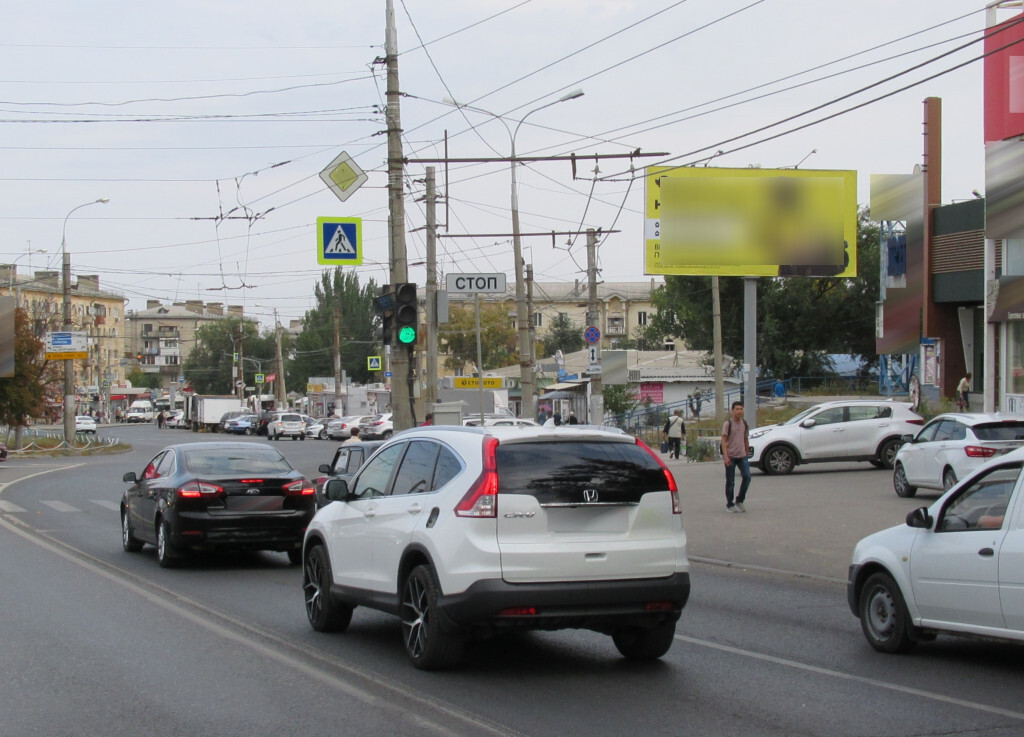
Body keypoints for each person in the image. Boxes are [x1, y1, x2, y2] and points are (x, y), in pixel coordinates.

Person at [721, 401, 751, 513]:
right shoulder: (728, 424)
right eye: (737, 409)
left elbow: (745, 439)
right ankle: (730, 504)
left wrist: (747, 453)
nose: (739, 411)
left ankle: (740, 500)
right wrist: (726, 457)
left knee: (747, 477)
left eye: (741, 409)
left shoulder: (744, 424)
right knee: (730, 482)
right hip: (731, 456)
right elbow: (723, 441)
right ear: (732, 410)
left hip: (742, 455)